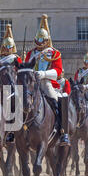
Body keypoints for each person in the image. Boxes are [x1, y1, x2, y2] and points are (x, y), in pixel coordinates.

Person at [26, 14, 70, 146]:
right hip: (32, 83)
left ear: (47, 40)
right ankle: (12, 131)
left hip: (47, 83)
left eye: (42, 40)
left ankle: (63, 132)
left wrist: (43, 74)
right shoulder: (30, 53)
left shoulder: (54, 53)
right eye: (38, 40)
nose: (39, 43)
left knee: (58, 101)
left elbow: (57, 71)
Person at [0, 22, 23, 143]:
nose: (8, 49)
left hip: (12, 87)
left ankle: (13, 131)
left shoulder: (17, 59)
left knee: (18, 104)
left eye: (10, 47)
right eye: (6, 46)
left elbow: (20, 74)